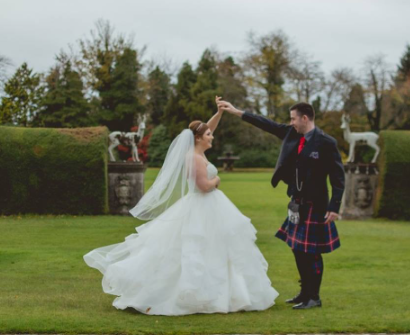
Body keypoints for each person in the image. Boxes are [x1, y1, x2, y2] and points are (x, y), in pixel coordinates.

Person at [83, 109, 278, 315]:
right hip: (203, 203)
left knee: (217, 249)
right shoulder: (194, 158)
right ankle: (193, 294)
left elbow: (208, 127)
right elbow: (203, 185)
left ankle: (226, 294)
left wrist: (219, 112)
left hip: (210, 205)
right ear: (198, 138)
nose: (212, 135)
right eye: (208, 135)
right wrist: (217, 180)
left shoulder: (198, 152)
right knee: (197, 248)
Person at [216, 98, 344, 309]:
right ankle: (304, 293)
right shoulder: (291, 133)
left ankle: (314, 297)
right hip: (296, 202)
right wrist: (237, 111)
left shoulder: (326, 142)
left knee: (311, 251)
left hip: (316, 204)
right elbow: (267, 124)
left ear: (305, 118)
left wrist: (334, 207)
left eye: (293, 119)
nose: (291, 122)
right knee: (296, 247)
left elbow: (338, 177)